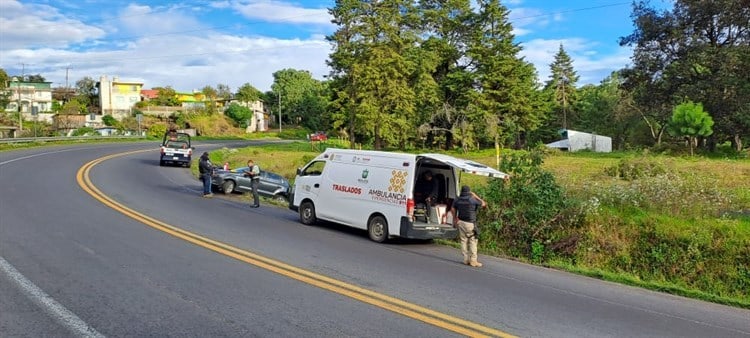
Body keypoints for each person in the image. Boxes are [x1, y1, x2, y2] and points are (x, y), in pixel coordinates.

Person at [451, 185, 487, 267]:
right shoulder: (472, 199)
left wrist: (455, 218)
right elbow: (484, 204)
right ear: (469, 192)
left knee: (463, 240)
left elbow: (452, 209)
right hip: (470, 223)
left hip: (460, 222)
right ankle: (473, 261)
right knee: (473, 241)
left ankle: (466, 259)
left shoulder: (457, 199)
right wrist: (476, 196)